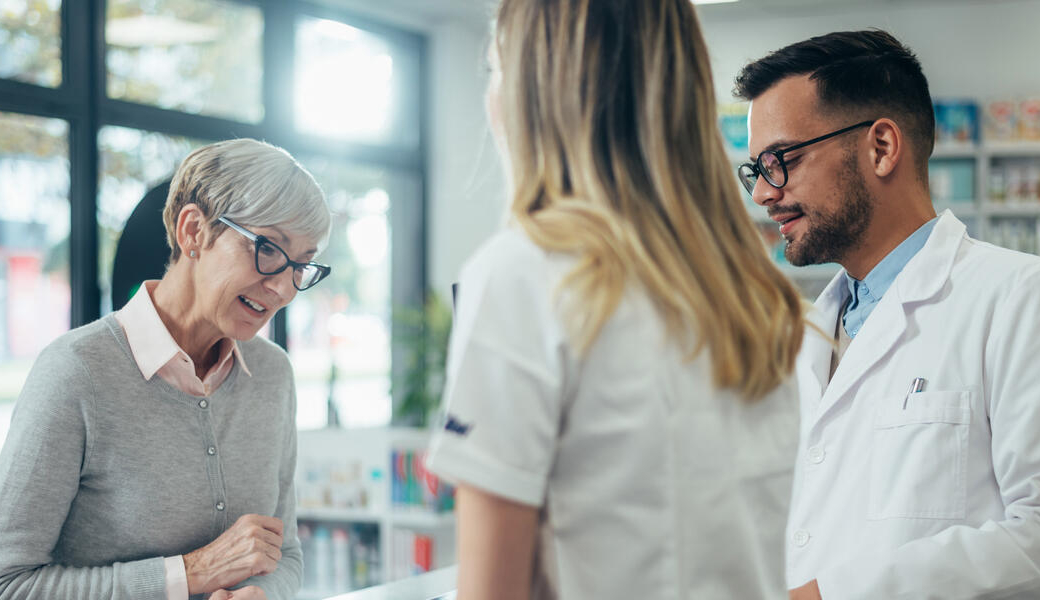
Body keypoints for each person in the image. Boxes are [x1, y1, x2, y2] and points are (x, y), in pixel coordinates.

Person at [426, 1, 806, 598]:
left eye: (496, 70)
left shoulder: (525, 274)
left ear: (534, 96)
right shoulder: (748, 293)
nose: (491, 97)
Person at [735, 30, 1040, 599]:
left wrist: (830, 595)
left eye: (783, 161)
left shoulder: (1021, 299)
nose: (763, 194)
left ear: (881, 147)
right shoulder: (808, 336)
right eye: (757, 169)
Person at [0, 138, 332, 600]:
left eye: (302, 265)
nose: (284, 289)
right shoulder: (75, 373)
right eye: (268, 249)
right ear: (193, 231)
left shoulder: (273, 375)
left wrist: (262, 593)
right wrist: (192, 572)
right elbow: (10, 582)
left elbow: (285, 552)